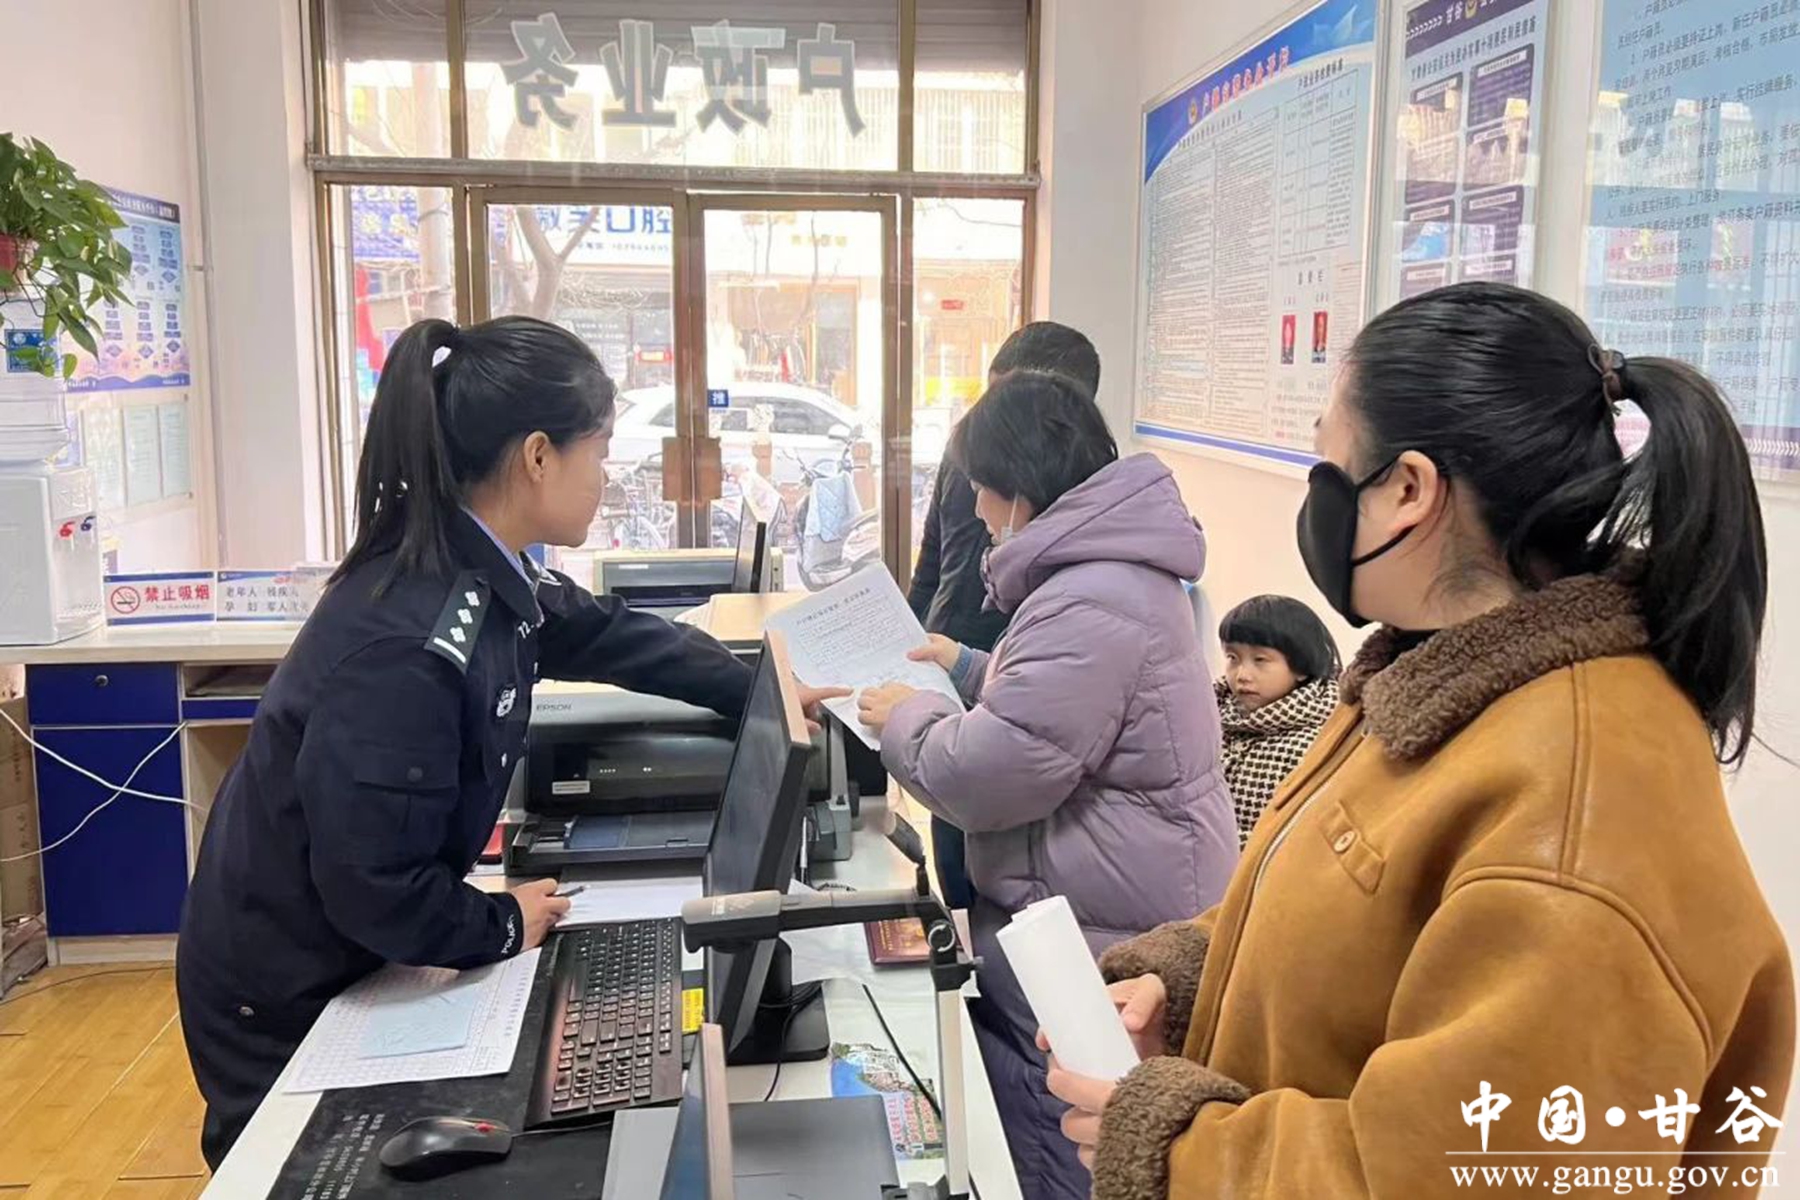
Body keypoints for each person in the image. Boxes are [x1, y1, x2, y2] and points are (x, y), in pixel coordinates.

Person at [1043, 282, 1794, 1199]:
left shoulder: (1576, 817)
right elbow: (1356, 924)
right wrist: (1193, 979)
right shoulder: (1438, 685)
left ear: (1407, 490)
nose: (1316, 498)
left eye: (1327, 463)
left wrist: (1180, 1151)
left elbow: (1462, 1178)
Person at [177, 316, 844, 1169]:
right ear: (537, 456)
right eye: (599, 452)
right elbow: (374, 888)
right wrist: (499, 923)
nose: (605, 476)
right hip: (286, 997)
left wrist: (761, 690)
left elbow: (605, 633)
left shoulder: (480, 568)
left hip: (356, 956)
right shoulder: (410, 642)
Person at [858, 370, 1239, 1200]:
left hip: (1102, 931)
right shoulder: (1110, 575)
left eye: (980, 489)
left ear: (1018, 489)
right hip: (1118, 899)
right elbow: (1063, 710)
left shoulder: (1089, 596)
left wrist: (905, 716)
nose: (976, 509)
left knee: (1061, 1131)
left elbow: (988, 775)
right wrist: (966, 666)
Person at [908, 321, 1103, 911]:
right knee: (954, 846)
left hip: (1014, 676)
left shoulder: (1085, 585)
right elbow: (934, 557)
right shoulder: (969, 450)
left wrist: (907, 719)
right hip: (960, 659)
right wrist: (907, 639)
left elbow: (1001, 768)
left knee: (992, 835)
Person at [1215, 594, 1341, 844]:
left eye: (1260, 660)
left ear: (1301, 666)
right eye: (1232, 658)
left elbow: (1297, 836)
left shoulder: (1319, 742)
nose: (1242, 675)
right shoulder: (1209, 716)